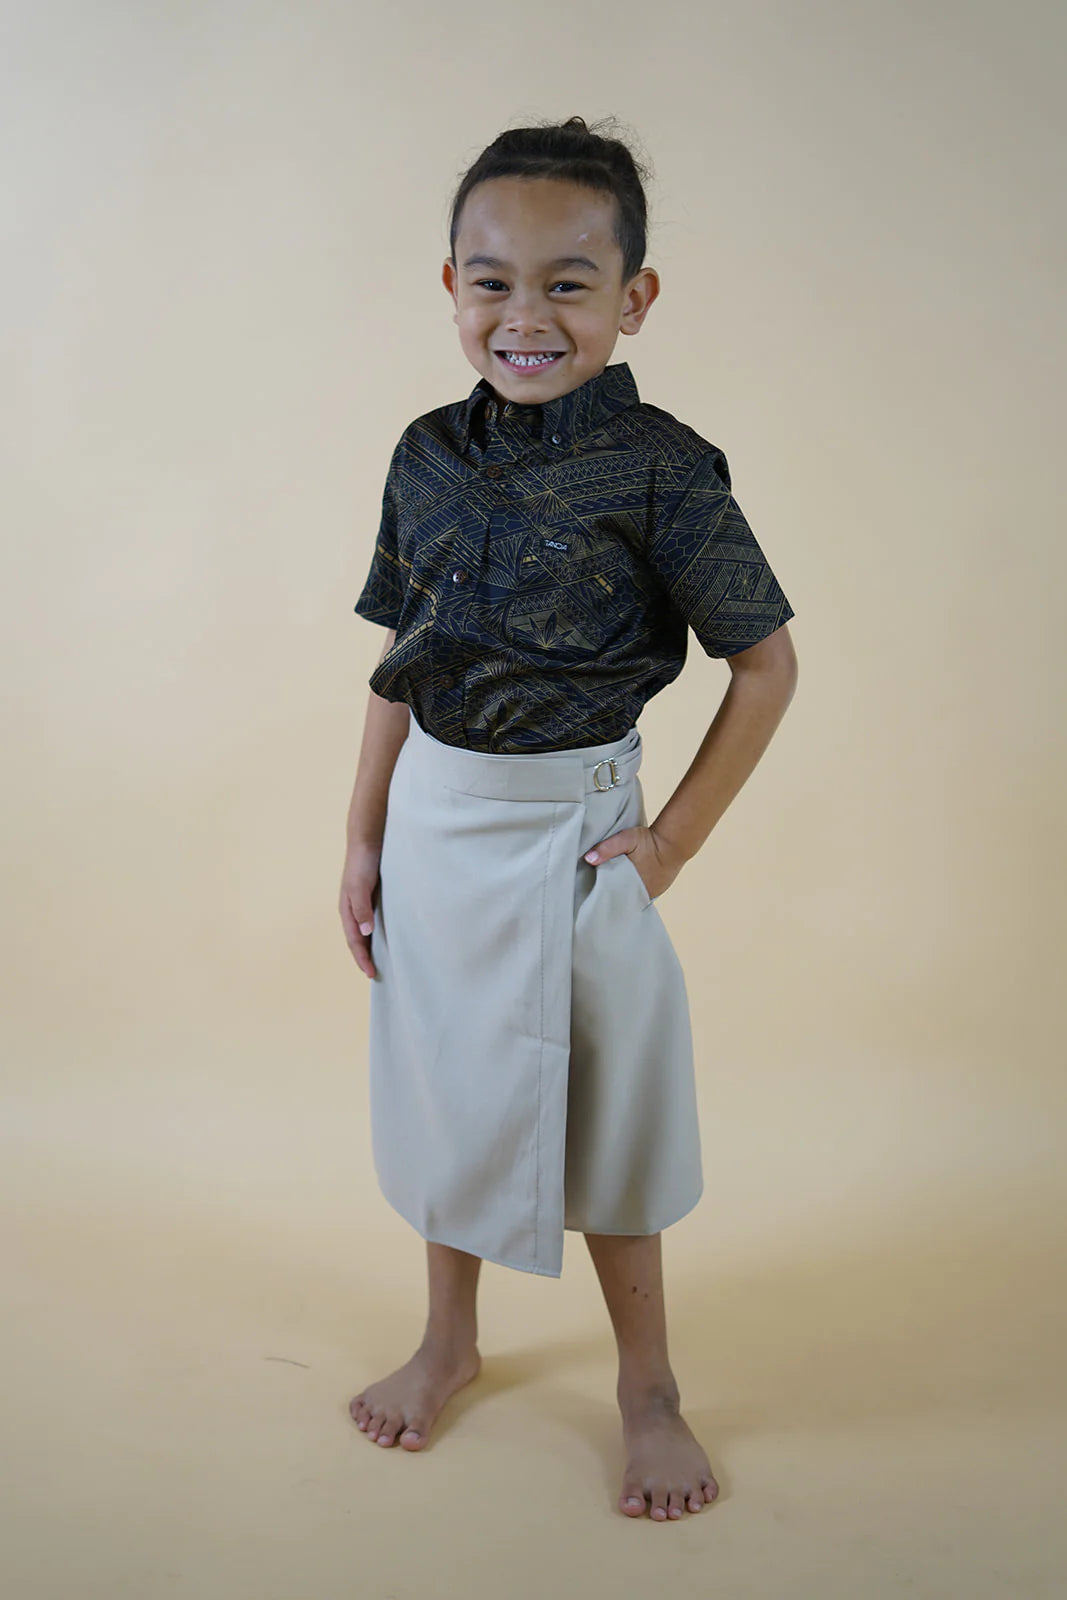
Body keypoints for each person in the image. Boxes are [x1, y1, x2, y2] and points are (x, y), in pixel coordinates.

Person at [339, 114, 798, 1522]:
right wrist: (361, 834)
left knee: (611, 1116)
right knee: (446, 1084)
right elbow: (399, 655)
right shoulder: (424, 456)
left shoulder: (666, 468)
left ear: (633, 297)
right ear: (452, 286)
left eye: (568, 282)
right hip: (436, 824)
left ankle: (649, 1387)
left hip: (578, 839)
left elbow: (767, 666)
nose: (525, 316)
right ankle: (449, 1340)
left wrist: (669, 846)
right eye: (493, 281)